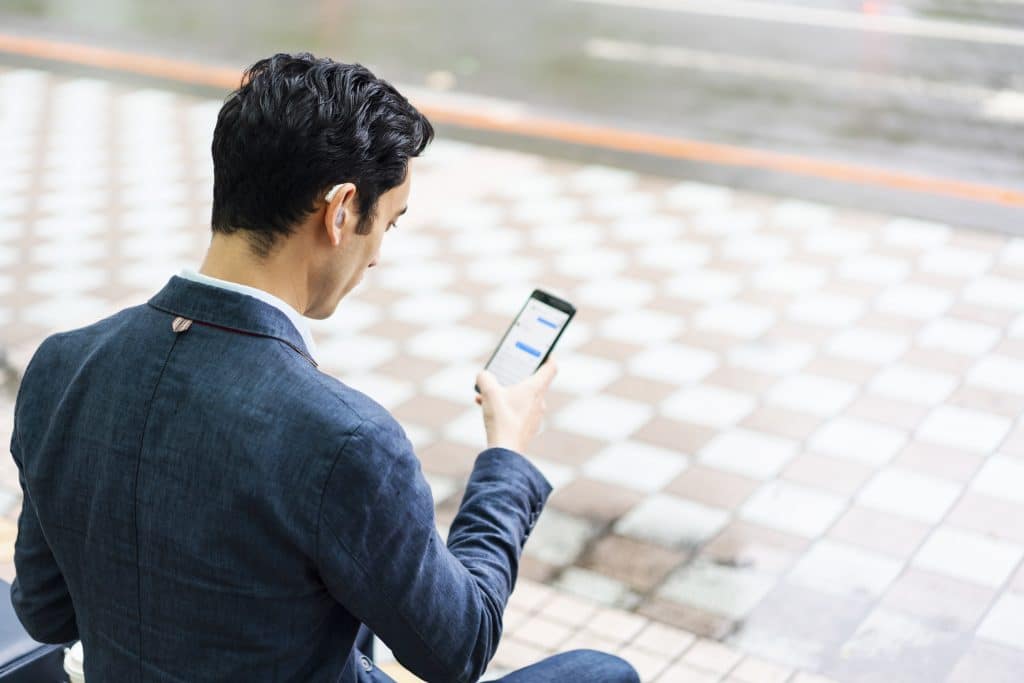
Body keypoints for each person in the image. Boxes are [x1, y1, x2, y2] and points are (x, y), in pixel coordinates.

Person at [8, 53, 639, 682]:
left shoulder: (63, 364)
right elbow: (459, 648)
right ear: (340, 212)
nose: (376, 259)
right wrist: (507, 460)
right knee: (600, 669)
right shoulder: (344, 439)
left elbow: (44, 611)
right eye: (386, 225)